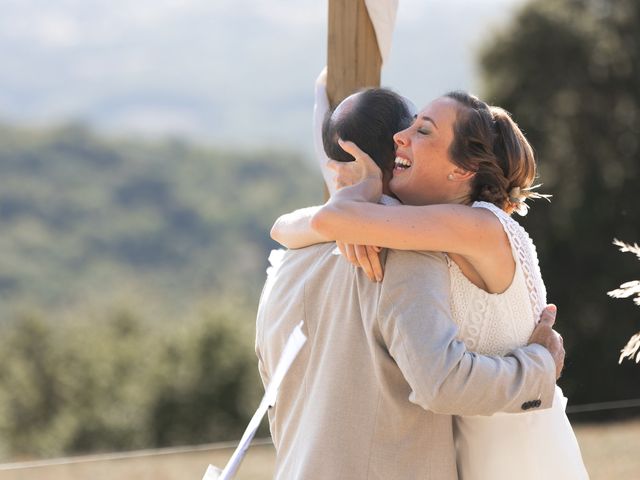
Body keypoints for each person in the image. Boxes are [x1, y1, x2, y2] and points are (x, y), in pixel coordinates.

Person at [271, 88, 588, 478]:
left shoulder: (478, 226)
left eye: (423, 131)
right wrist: (359, 208)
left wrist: (365, 191)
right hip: (475, 439)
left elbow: (321, 223)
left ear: (462, 170)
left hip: (515, 446)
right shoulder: (431, 230)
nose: (400, 138)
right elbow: (292, 226)